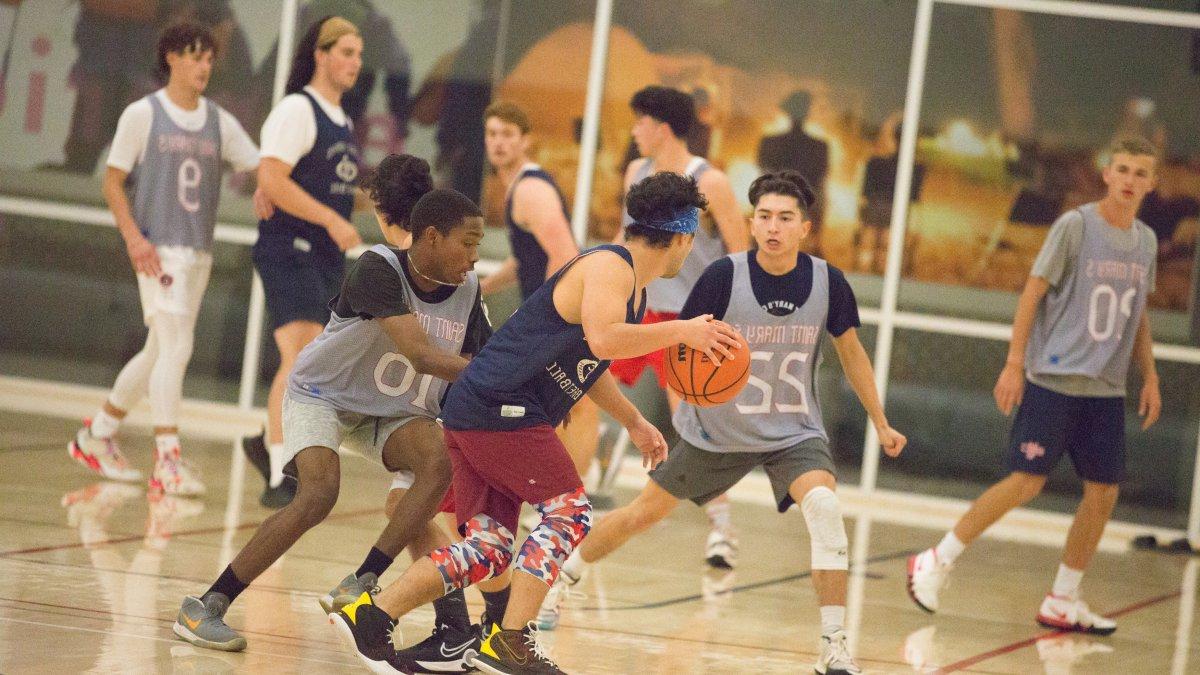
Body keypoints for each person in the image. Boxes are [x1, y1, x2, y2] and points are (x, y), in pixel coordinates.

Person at [328, 172, 741, 675]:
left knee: (488, 549)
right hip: (502, 405)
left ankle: (371, 615)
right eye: (694, 236)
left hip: (481, 408)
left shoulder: (629, 285)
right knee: (570, 514)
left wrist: (634, 420)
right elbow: (607, 339)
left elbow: (595, 360)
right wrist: (683, 332)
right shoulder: (612, 267)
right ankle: (509, 641)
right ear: (680, 237)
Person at [539, 170, 907, 675]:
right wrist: (682, 398)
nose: (772, 227)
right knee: (641, 515)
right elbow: (678, 344)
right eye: (763, 217)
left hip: (793, 431)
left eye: (785, 218)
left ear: (806, 227)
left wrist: (881, 422)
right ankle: (564, 577)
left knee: (824, 509)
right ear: (751, 222)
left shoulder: (830, 282)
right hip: (717, 431)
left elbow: (853, 354)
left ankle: (835, 646)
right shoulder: (722, 277)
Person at [173, 171, 492, 655]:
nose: (474, 257)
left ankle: (365, 582)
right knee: (318, 494)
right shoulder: (378, 268)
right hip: (325, 395)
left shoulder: (469, 294)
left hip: (392, 411)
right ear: (431, 237)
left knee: (438, 465)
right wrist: (495, 376)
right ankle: (206, 605)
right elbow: (424, 356)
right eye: (467, 244)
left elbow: (486, 363)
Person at [907, 137, 1164, 635]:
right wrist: (1014, 362)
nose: (1131, 180)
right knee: (1027, 480)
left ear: (1151, 183)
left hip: (1105, 390)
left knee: (1104, 492)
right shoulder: (1076, 226)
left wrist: (1149, 374)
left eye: (1141, 173)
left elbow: (1139, 315)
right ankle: (936, 560)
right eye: (1124, 170)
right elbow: (1032, 292)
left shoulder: (1147, 242)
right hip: (1054, 379)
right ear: (1108, 174)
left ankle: (1063, 598)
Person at [67, 22, 260, 496]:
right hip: (158, 250)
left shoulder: (219, 120)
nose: (204, 67)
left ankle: (98, 434)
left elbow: (259, 168)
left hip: (197, 251)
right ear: (172, 57)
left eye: (210, 60)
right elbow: (112, 182)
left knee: (158, 350)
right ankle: (168, 460)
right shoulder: (143, 114)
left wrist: (278, 188)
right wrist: (134, 238)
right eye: (195, 57)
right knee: (177, 348)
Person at [607, 85, 751, 569]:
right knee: (579, 394)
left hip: (684, 321)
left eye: (639, 121)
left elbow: (740, 257)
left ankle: (723, 529)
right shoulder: (636, 172)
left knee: (689, 428)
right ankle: (560, 502)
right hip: (635, 309)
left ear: (661, 126)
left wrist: (731, 322)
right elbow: (622, 239)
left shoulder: (712, 182)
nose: (633, 131)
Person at [241, 16, 365, 508]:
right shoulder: (298, 108)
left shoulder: (342, 119)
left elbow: (311, 181)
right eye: (347, 52)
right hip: (289, 249)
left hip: (324, 256)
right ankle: (281, 474)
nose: (356, 63)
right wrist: (330, 220)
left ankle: (263, 440)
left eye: (359, 54)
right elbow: (272, 178)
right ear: (321, 53)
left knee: (314, 360)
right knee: (300, 357)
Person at [478, 100, 598, 483]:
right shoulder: (518, 187)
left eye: (507, 135)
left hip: (562, 310)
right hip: (560, 306)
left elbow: (564, 254)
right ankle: (563, 487)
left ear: (525, 141)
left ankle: (566, 493)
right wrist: (484, 287)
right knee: (562, 401)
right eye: (492, 133)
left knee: (570, 403)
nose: (498, 142)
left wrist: (541, 316)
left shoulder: (530, 189)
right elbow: (526, 259)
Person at [757, 89, 829, 234]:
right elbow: (820, 179)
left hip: (776, 203)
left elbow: (764, 172)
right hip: (805, 207)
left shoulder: (769, 142)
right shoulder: (820, 147)